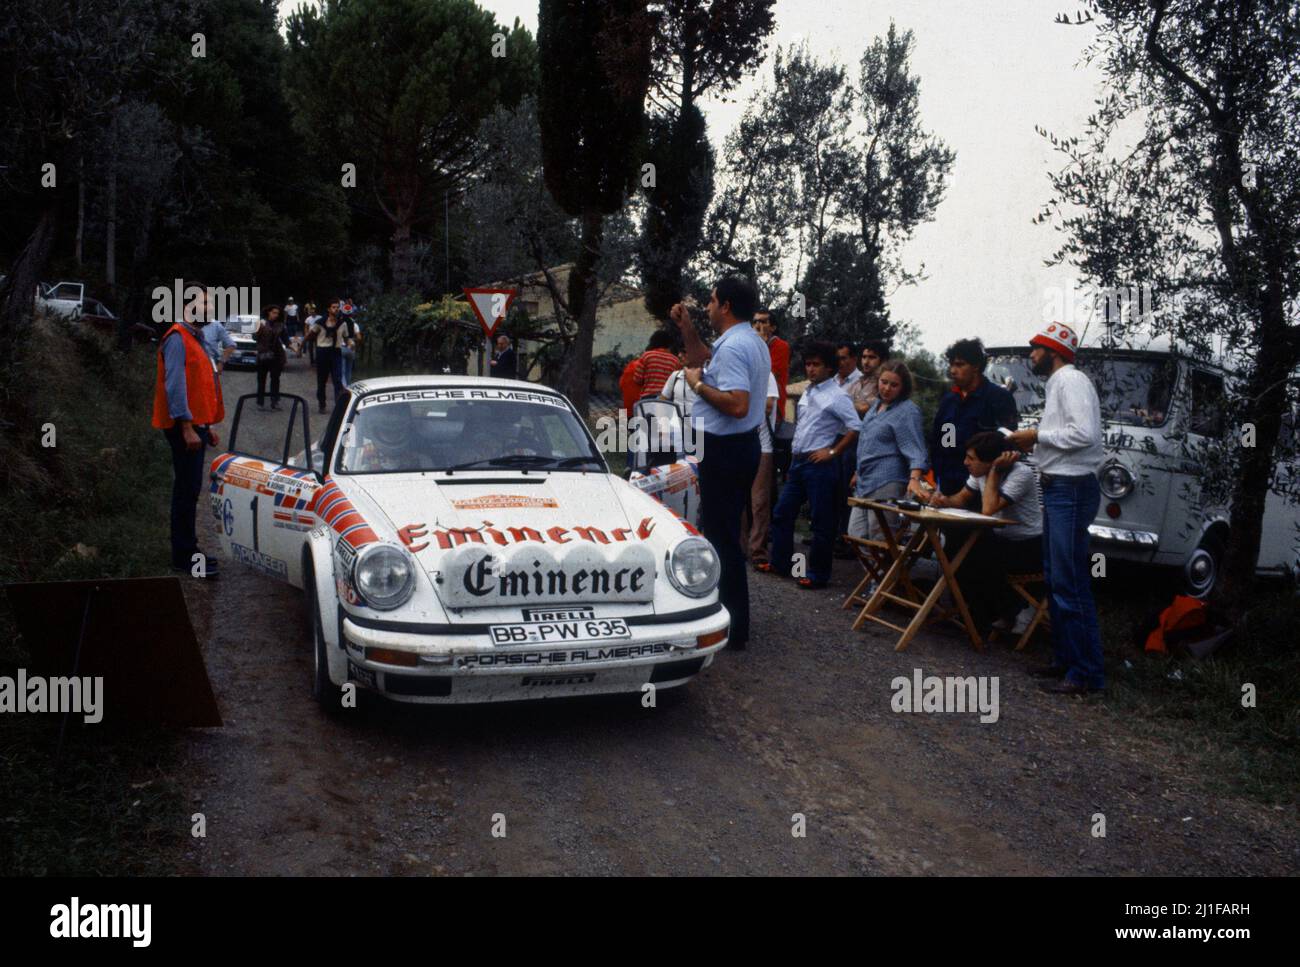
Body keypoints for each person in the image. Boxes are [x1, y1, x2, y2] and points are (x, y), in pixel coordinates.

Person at [670, 276, 770, 649]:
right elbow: (702, 360)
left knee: (722, 539)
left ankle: (732, 628)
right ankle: (729, 620)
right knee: (723, 533)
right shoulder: (748, 341)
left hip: (725, 450)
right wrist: (687, 329)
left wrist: (696, 386)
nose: (708, 306)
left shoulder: (734, 348)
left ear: (726, 305)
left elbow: (737, 402)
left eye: (711, 301)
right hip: (739, 446)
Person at [1006, 323, 1105, 695]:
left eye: (1036, 349)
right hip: (1058, 486)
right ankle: (1065, 661)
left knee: (1070, 581)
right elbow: (1068, 435)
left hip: (1072, 488)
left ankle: (1087, 673)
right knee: (1056, 578)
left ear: (1055, 352)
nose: (1031, 355)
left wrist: (1036, 436)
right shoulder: (1059, 383)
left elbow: (1085, 434)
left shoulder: (1071, 380)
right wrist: (1032, 444)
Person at [761, 341, 861, 589]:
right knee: (782, 513)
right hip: (798, 462)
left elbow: (855, 427)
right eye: (808, 364)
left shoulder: (837, 396)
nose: (811, 369)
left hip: (820, 466)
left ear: (829, 368)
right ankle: (781, 564)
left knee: (821, 521)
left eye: (816, 365)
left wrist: (832, 451)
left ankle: (817, 574)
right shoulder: (808, 391)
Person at [926, 431, 1043, 635]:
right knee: (957, 544)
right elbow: (961, 499)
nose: (965, 463)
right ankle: (970, 613)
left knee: (974, 554)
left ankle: (983, 616)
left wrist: (995, 472)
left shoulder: (1020, 474)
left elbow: (989, 510)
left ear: (991, 461)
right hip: (1002, 540)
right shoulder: (978, 472)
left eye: (971, 459)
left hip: (1028, 546)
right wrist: (944, 501)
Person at [152, 284, 224, 578]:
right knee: (186, 490)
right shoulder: (177, 339)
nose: (209, 309)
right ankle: (184, 557)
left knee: (190, 489)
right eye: (204, 304)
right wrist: (186, 427)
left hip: (195, 427)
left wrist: (204, 428)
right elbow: (175, 386)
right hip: (183, 428)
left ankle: (189, 549)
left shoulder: (196, 338)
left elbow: (199, 385)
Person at [848, 360, 928, 541]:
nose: (886, 388)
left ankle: (887, 571)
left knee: (880, 536)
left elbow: (916, 449)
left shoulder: (907, 411)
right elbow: (867, 441)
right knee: (856, 534)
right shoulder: (876, 406)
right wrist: (857, 471)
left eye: (894, 385)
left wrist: (914, 479)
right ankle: (875, 570)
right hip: (865, 480)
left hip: (887, 481)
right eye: (884, 382)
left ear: (903, 387)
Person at [929, 337, 1019, 495]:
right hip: (948, 483)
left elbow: (1008, 437)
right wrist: (937, 474)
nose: (952, 370)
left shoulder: (998, 397)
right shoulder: (949, 400)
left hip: (983, 486)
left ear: (976, 366)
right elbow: (941, 441)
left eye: (959, 364)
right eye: (951, 364)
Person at [744, 371, 781, 564]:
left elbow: (768, 406)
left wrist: (738, 404)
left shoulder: (766, 374)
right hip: (738, 445)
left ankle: (757, 550)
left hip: (762, 446)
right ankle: (740, 547)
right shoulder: (737, 372)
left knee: (759, 502)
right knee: (739, 501)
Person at [309, 299, 346, 414]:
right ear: (329, 309)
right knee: (322, 380)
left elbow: (347, 337)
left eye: (337, 307)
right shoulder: (320, 322)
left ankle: (338, 406)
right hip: (323, 352)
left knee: (337, 380)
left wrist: (351, 343)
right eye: (334, 307)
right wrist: (300, 348)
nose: (336, 309)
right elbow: (310, 335)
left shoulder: (342, 323)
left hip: (336, 352)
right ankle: (322, 404)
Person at [753, 309, 789, 425]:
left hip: (773, 409)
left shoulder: (781, 346)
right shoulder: (750, 345)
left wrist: (760, 344)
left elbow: (767, 373)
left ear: (773, 328)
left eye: (763, 322)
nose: (758, 325)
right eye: (755, 322)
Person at [254, 305, 287, 409]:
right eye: (274, 313)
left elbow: (286, 339)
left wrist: (296, 349)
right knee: (261, 379)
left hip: (276, 354)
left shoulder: (280, 325)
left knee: (275, 378)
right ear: (268, 312)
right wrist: (259, 328)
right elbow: (255, 337)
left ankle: (274, 401)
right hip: (263, 354)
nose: (275, 315)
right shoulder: (261, 323)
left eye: (277, 313)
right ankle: (260, 402)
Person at [633, 329, 680, 399]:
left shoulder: (647, 356)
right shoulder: (675, 360)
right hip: (667, 400)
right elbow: (676, 384)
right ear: (669, 344)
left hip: (648, 398)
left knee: (635, 408)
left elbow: (637, 379)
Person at [850, 340, 887, 416]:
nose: (866, 362)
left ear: (883, 361)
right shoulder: (857, 381)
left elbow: (863, 409)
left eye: (872, 357)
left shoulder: (884, 384)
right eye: (864, 357)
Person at [659, 347, 698, 420]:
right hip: (676, 426)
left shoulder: (707, 377)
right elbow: (662, 401)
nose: (679, 355)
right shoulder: (675, 376)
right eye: (679, 352)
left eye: (684, 352)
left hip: (699, 426)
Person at [340, 312, 361, 388]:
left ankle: (343, 388)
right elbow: (359, 338)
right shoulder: (355, 325)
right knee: (348, 371)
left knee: (342, 371)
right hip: (351, 348)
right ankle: (348, 387)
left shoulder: (340, 324)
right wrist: (352, 340)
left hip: (341, 348)